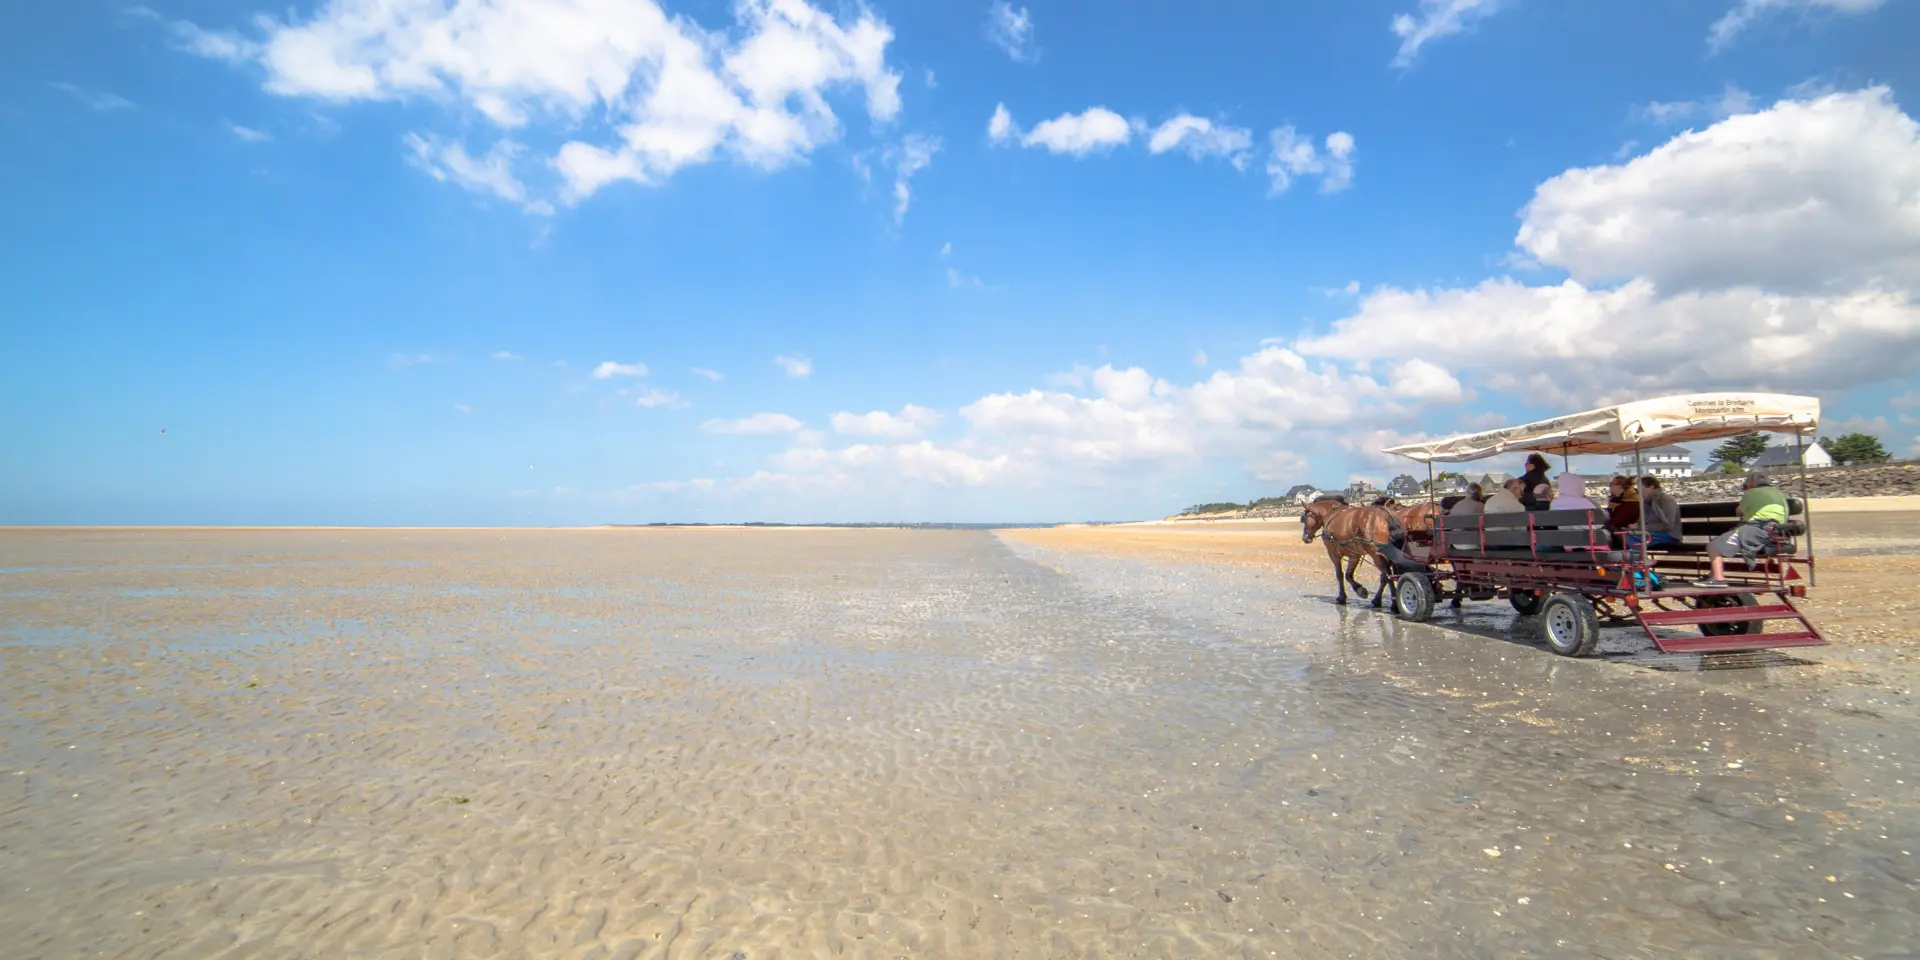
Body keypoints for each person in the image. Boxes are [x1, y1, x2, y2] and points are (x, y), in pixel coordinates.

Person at [1701, 471, 1790, 586]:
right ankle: (1712, 576)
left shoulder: (1752, 493)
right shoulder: (1778, 493)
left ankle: (1718, 578)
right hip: (1776, 533)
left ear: (1752, 483)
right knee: (1719, 542)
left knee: (1713, 546)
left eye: (1747, 482)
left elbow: (1739, 512)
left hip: (1756, 531)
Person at [1625, 475, 1682, 550]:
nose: (1639, 491)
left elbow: (1668, 525)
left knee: (1632, 538)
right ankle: (1638, 558)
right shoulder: (1645, 502)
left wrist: (1640, 527)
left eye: (1641, 488)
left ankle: (1639, 559)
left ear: (1651, 487)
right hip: (1653, 533)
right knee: (1625, 535)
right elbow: (1643, 522)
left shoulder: (1665, 500)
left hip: (1669, 535)